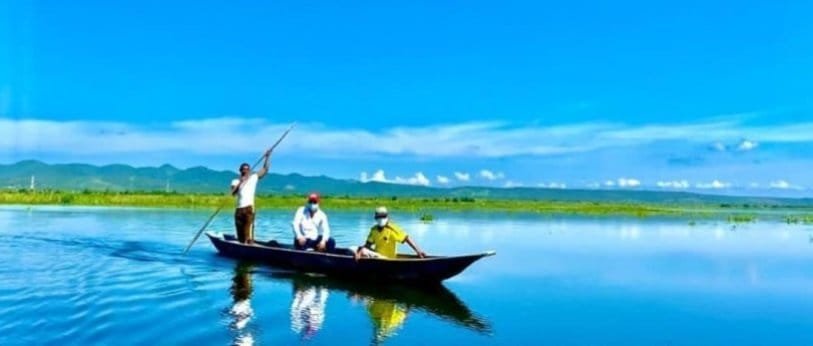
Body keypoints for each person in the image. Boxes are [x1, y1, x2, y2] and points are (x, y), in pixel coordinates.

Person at [354, 206, 426, 260]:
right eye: (379, 217)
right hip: (376, 258)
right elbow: (367, 245)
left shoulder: (393, 228)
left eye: (383, 216)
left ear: (387, 217)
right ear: (376, 218)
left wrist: (418, 252)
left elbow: (407, 239)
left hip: (388, 259)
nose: (381, 219)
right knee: (354, 248)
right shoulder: (374, 229)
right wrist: (359, 252)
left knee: (362, 251)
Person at [230, 150, 270, 244]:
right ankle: (241, 247)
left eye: (247, 169)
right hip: (239, 210)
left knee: (248, 236)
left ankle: (250, 246)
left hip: (249, 209)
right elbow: (233, 193)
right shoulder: (235, 181)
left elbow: (265, 169)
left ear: (249, 170)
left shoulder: (253, 177)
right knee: (240, 237)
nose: (246, 170)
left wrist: (267, 157)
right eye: (244, 169)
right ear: (240, 170)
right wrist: (241, 182)